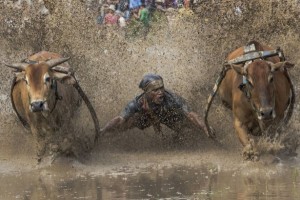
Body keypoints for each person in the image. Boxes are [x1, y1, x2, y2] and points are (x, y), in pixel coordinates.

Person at [100, 74, 209, 141]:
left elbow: (190, 114)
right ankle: (105, 138)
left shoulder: (172, 98)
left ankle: (204, 135)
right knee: (127, 122)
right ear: (146, 92)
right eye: (155, 90)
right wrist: (103, 130)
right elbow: (120, 119)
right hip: (147, 118)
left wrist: (204, 128)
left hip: (169, 117)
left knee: (191, 127)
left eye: (161, 88)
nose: (160, 92)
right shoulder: (138, 102)